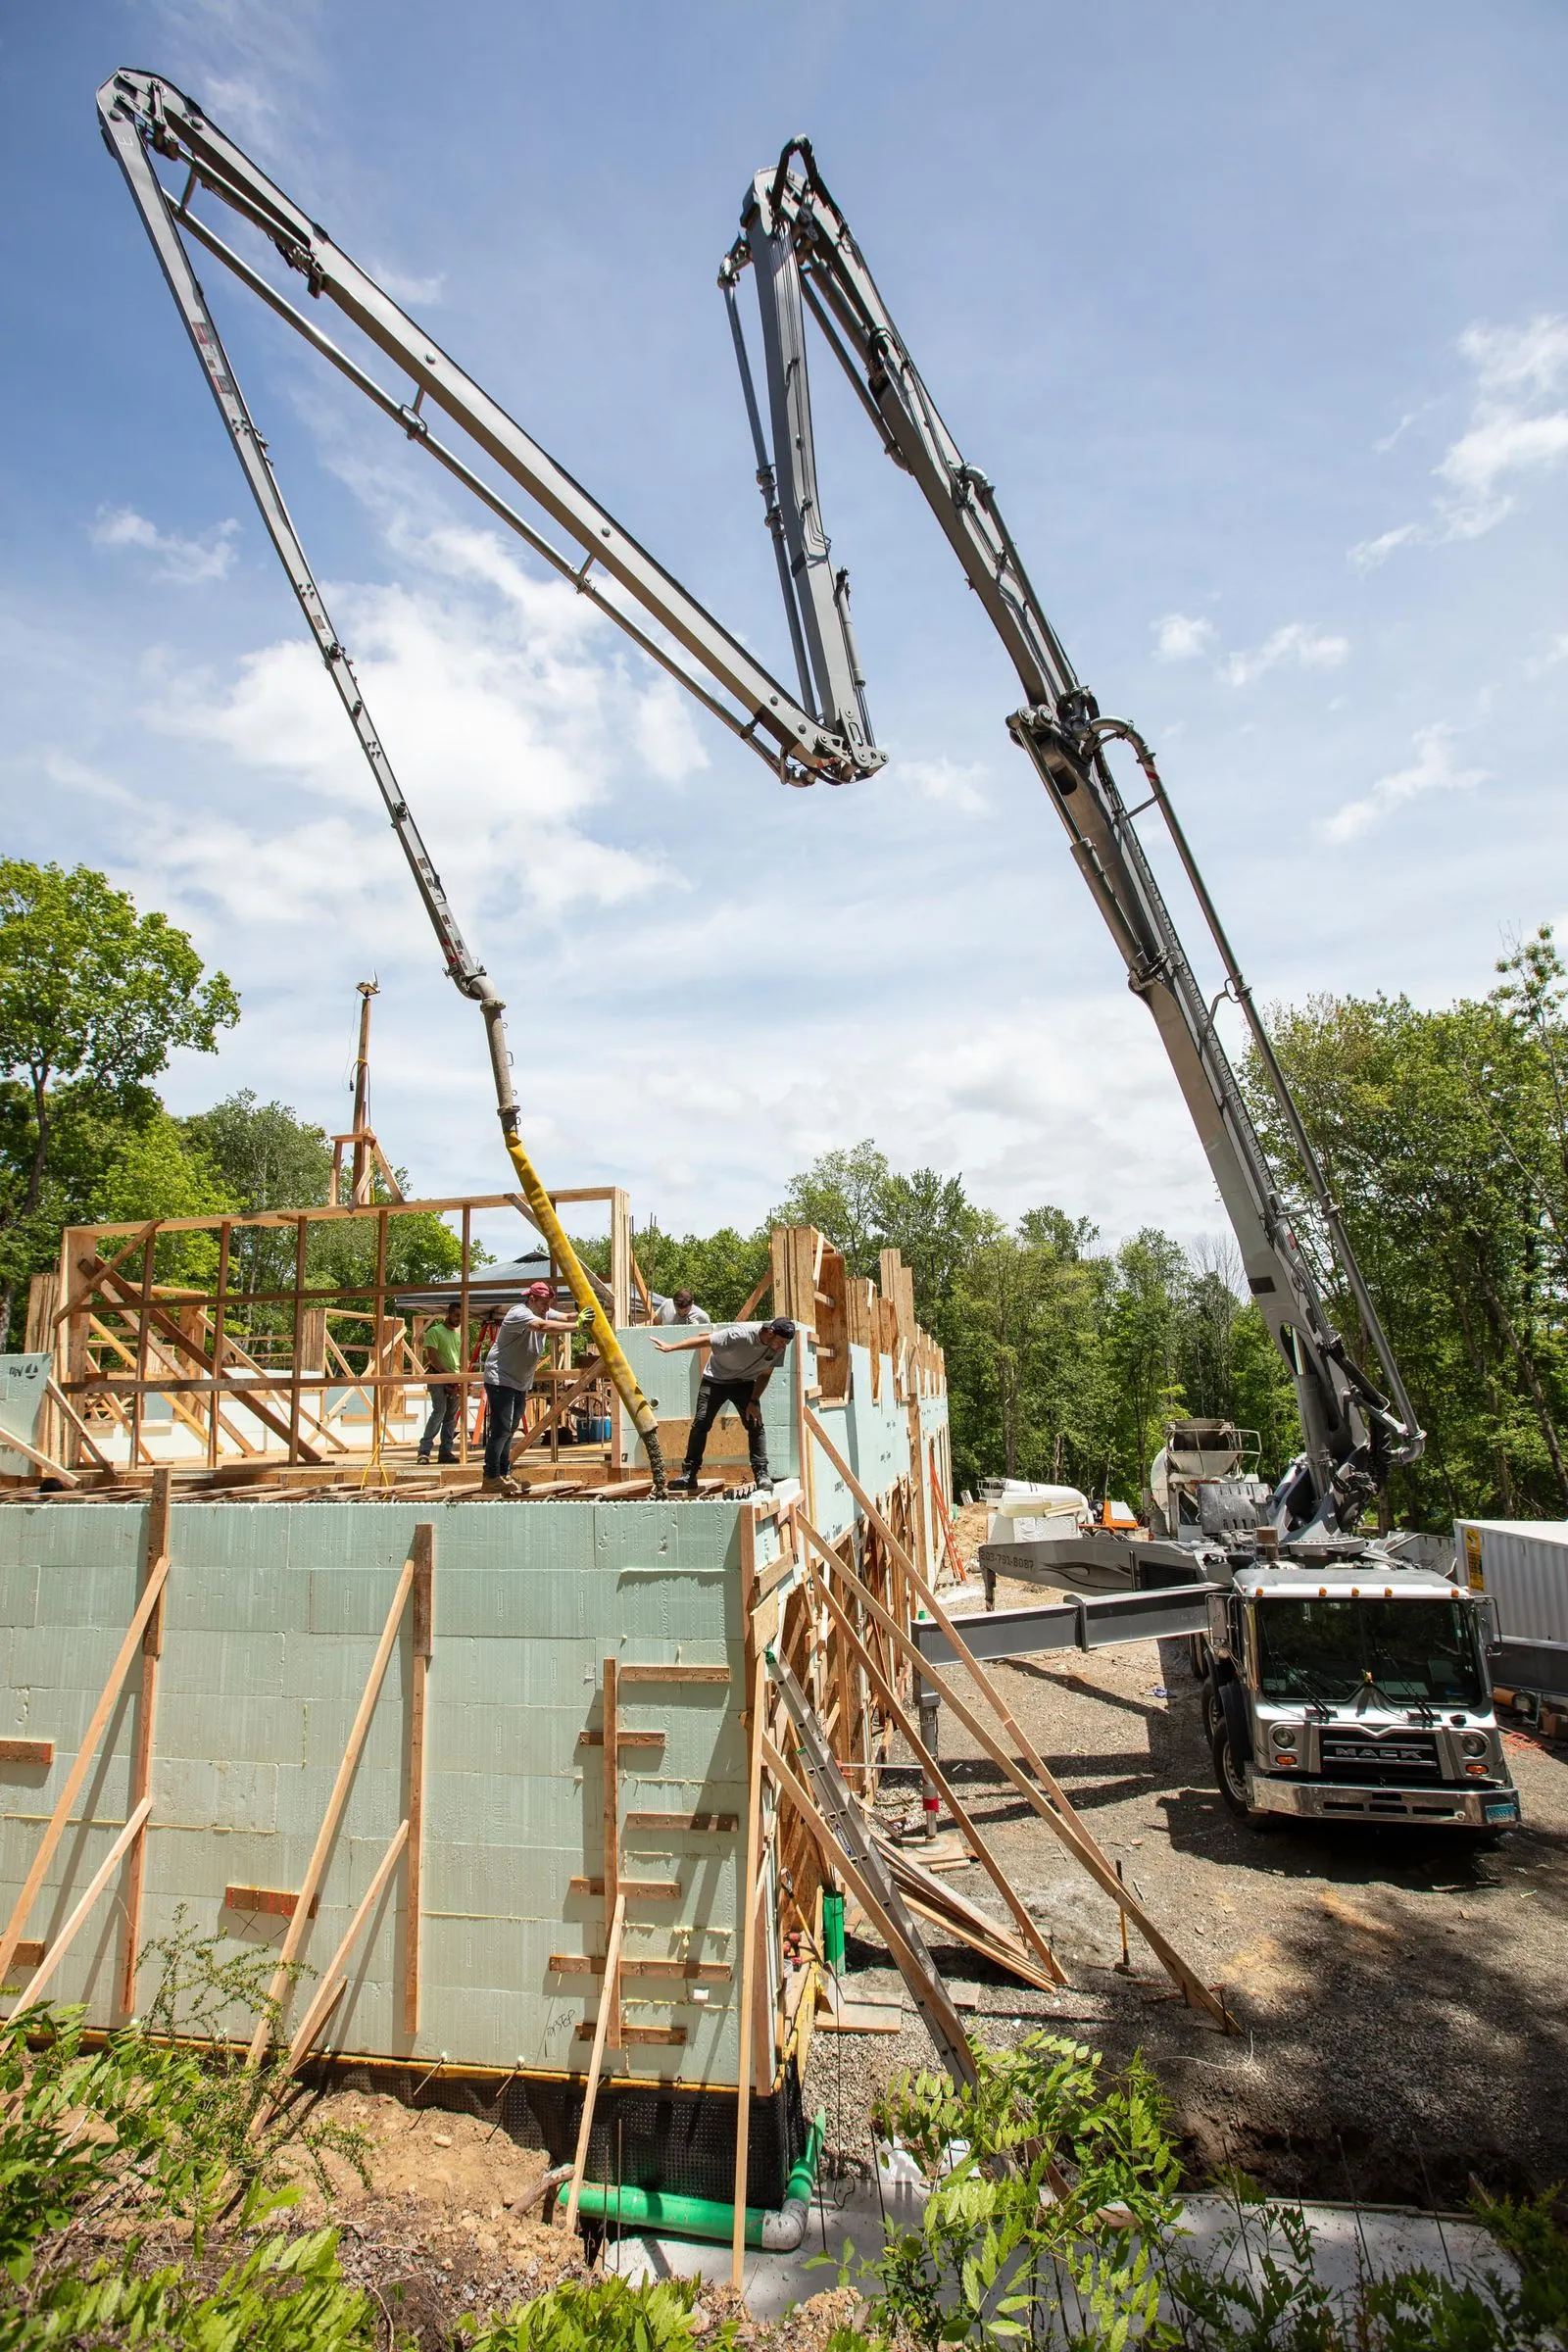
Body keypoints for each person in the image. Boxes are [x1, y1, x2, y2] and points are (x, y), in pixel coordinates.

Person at [655, 1317, 796, 1494]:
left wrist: (753, 1401)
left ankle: (761, 1474)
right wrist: (671, 1347)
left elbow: (765, 1374)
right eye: (781, 1341)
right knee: (701, 1423)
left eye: (787, 1343)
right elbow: (706, 1340)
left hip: (744, 1383)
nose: (783, 1346)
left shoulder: (778, 1347)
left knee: (755, 1424)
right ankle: (689, 1475)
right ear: (770, 1332)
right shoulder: (739, 1334)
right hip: (715, 1380)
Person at [482, 1279, 578, 1492]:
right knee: (501, 1429)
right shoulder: (519, 1313)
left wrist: (582, 1312)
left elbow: (564, 1316)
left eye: (549, 1304)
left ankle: (503, 1474)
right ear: (532, 1299)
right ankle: (490, 1477)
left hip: (519, 1381)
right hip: (501, 1377)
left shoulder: (543, 1311)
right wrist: (577, 1326)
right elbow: (542, 1326)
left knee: (510, 1428)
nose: (547, 1308)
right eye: (544, 1304)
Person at [416, 1299, 466, 1465]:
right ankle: (424, 1451)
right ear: (448, 1314)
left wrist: (459, 1379)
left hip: (453, 1378)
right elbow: (432, 1356)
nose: (459, 1319)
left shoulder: (457, 1336)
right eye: (456, 1315)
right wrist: (446, 1375)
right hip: (438, 1377)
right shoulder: (435, 1331)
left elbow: (458, 1359)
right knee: (439, 1411)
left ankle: (445, 1451)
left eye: (461, 1316)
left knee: (450, 1418)